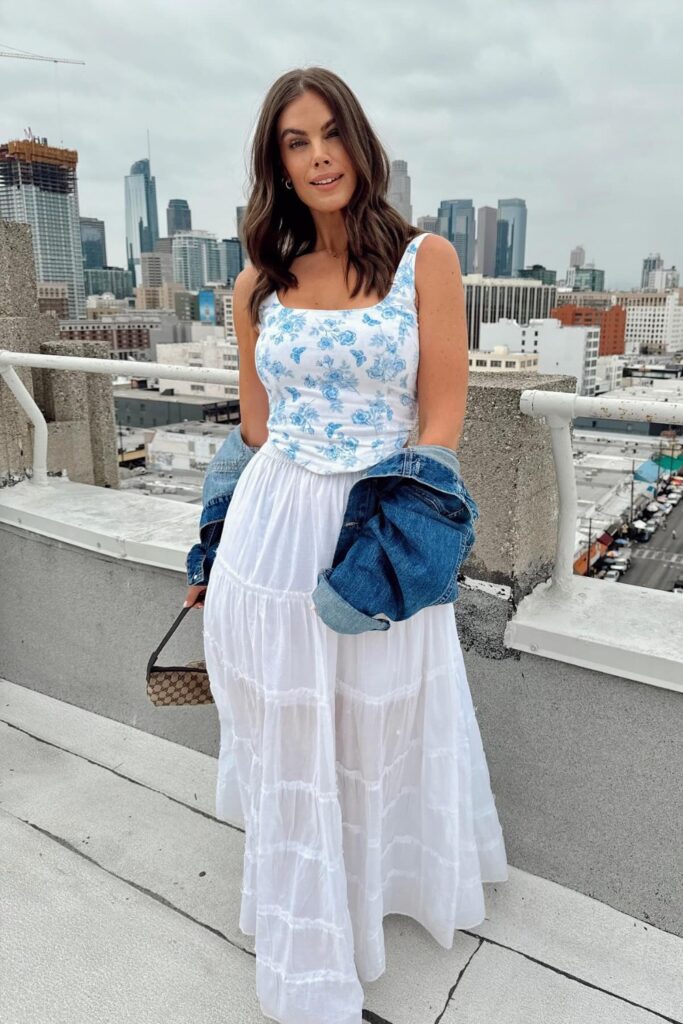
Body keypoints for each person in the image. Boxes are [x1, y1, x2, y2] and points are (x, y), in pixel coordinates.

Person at [184, 66, 508, 1024]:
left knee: (378, 719)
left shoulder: (425, 261)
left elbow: (440, 422)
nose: (318, 157)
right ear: (276, 165)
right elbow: (254, 431)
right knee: (286, 728)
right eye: (296, 142)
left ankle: (362, 894)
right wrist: (212, 548)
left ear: (360, 145)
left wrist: (394, 551)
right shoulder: (257, 283)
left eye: (331, 134)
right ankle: (308, 937)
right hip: (270, 531)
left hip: (375, 529)